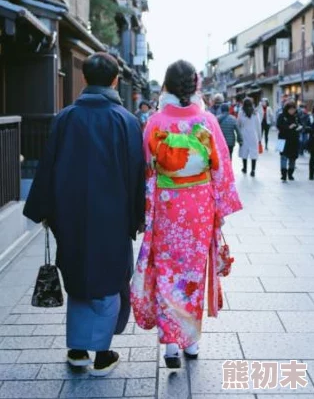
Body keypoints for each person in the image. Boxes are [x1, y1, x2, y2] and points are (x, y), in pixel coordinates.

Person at [23, 53, 145, 376]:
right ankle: (102, 354)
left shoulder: (65, 117)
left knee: (78, 278)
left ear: (86, 79)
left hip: (71, 213)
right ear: (116, 80)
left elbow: (48, 165)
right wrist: (137, 216)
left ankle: (77, 351)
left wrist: (44, 210)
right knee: (110, 278)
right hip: (113, 215)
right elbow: (136, 174)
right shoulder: (127, 121)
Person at [131, 60, 242, 369]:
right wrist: (220, 208)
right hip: (198, 208)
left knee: (168, 271)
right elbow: (222, 169)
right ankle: (191, 342)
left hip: (167, 206)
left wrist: (147, 206)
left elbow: (147, 167)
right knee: (192, 274)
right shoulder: (207, 121)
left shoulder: (155, 122)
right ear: (195, 86)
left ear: (165, 85)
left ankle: (170, 346)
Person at [277, 100, 302, 182]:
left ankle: (290, 174)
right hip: (282, 139)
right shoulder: (281, 116)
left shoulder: (297, 117)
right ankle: (283, 174)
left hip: (294, 140)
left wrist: (299, 127)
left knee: (293, 157)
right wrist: (288, 127)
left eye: (293, 109)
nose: (292, 111)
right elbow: (278, 125)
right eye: (290, 109)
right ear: (286, 109)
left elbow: (302, 125)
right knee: (283, 157)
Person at [238, 97, 262, 177]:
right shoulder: (255, 113)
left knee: (244, 151)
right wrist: (259, 138)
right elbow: (259, 126)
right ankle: (253, 170)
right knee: (253, 152)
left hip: (244, 134)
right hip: (253, 135)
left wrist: (238, 135)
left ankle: (244, 168)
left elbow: (238, 124)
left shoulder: (241, 113)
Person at [306, 107, 314, 180]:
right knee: (312, 158)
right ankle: (311, 175)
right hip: (312, 141)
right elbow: (307, 128)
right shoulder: (311, 118)